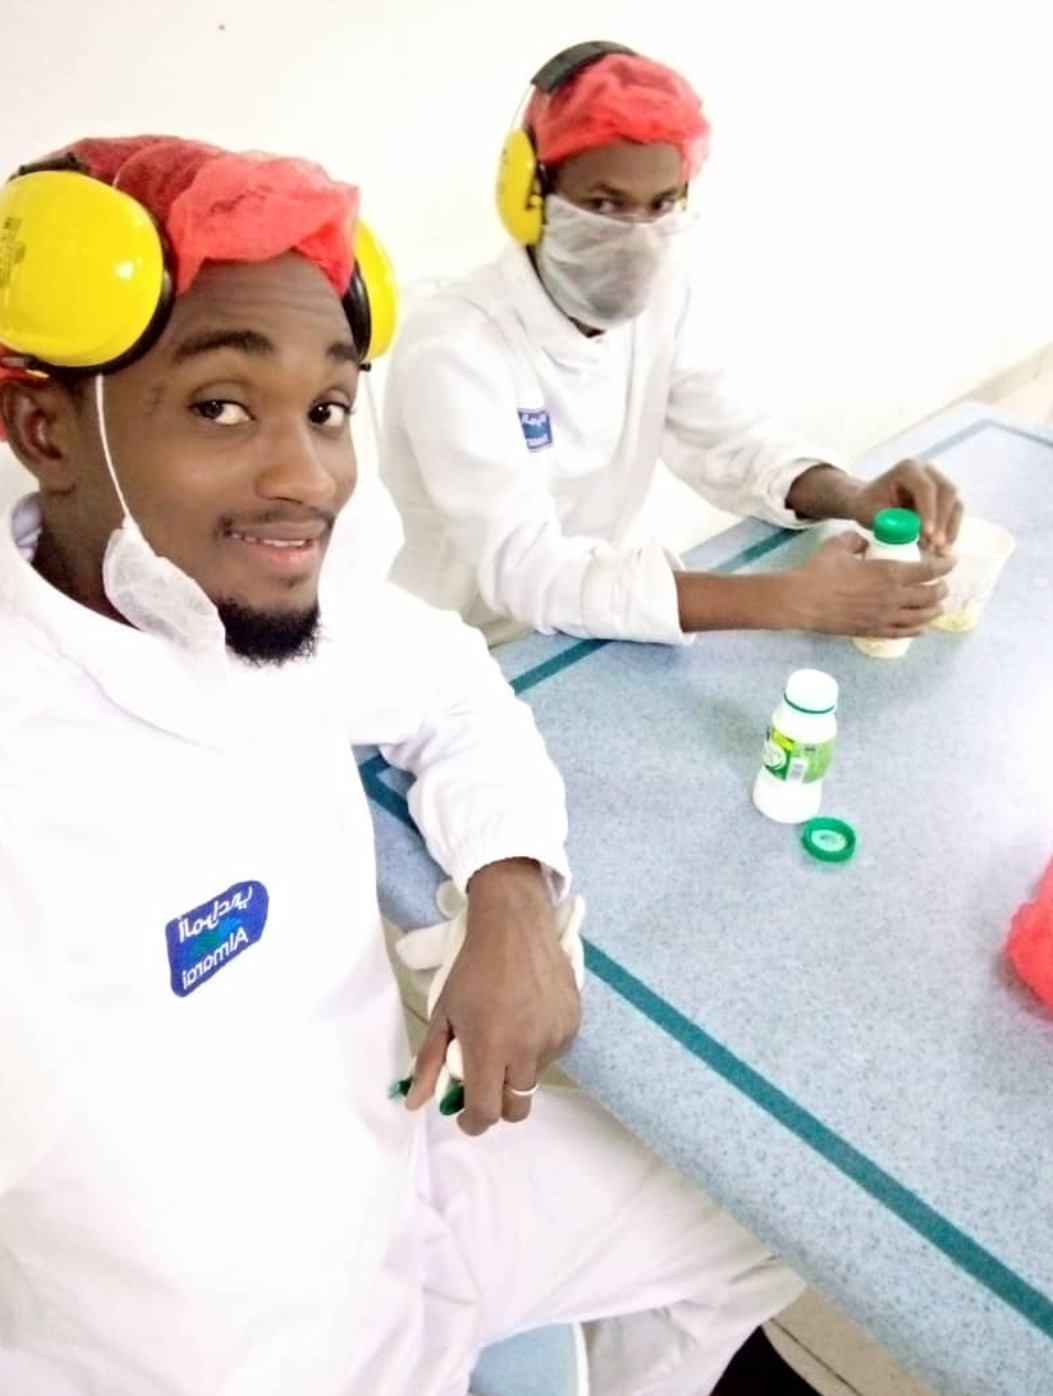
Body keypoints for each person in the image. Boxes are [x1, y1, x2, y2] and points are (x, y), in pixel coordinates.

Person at [0, 135, 817, 1395]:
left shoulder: (250, 601)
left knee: (773, 1202)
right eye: (222, 406)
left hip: (413, 1194)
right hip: (228, 1362)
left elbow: (450, 682)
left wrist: (512, 893)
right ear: (47, 429)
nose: (306, 479)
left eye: (327, 410)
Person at [380, 40, 960, 646]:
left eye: (659, 206)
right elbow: (528, 570)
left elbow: (728, 441)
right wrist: (793, 599)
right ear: (530, 197)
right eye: (604, 204)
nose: (635, 238)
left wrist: (855, 496)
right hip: (458, 648)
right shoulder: (454, 347)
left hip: (594, 628)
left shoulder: (663, 300)